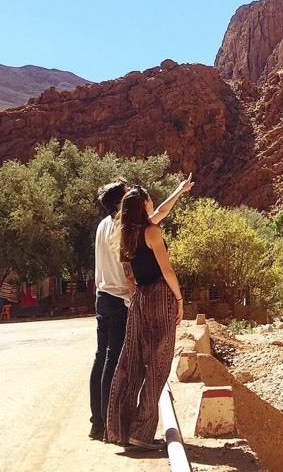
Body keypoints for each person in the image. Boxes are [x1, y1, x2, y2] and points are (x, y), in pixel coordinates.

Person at [88, 173, 193, 441]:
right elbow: (147, 268)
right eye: (128, 191)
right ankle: (123, 428)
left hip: (105, 296)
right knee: (127, 362)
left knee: (106, 358)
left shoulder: (106, 226)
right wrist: (177, 299)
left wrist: (179, 192)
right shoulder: (127, 226)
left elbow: (157, 213)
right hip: (125, 298)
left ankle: (101, 423)